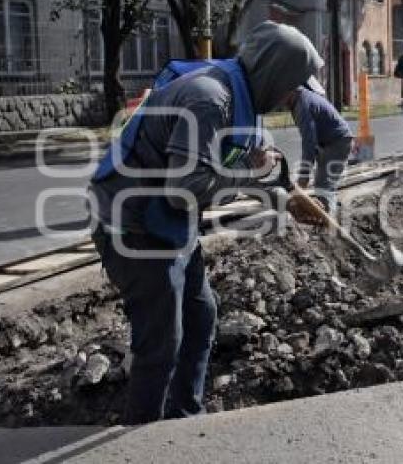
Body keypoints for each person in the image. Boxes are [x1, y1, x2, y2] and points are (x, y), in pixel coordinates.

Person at [87, 21, 324, 424]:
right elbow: (188, 187)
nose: (293, 97)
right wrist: (254, 178)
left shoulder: (245, 103)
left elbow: (244, 168)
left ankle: (185, 417)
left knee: (201, 317)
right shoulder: (210, 99)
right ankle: (143, 435)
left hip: (169, 221)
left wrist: (283, 199)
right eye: (293, 85)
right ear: (274, 74)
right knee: (162, 341)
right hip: (132, 225)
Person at [285, 79, 353, 213]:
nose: (277, 101)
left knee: (324, 187)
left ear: (291, 91)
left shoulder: (302, 105)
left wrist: (303, 178)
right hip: (329, 142)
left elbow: (308, 143)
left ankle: (329, 225)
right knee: (322, 184)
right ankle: (328, 216)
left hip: (338, 142)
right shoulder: (299, 100)